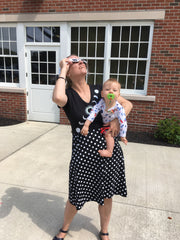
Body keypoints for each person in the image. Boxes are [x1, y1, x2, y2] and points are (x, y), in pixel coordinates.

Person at [52, 55, 133, 240]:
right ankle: (65, 228)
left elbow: (127, 104)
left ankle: (104, 230)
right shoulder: (68, 95)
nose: (81, 62)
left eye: (82, 60)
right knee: (76, 194)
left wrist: (115, 120)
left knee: (106, 195)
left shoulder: (100, 89)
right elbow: (57, 97)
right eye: (74, 61)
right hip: (83, 151)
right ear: (68, 70)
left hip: (109, 151)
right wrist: (63, 68)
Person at [81, 78, 128, 158]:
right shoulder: (101, 103)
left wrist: (123, 135)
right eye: (107, 89)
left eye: (114, 90)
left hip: (112, 127)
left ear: (118, 95)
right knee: (106, 134)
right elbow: (93, 112)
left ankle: (109, 151)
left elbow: (123, 121)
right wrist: (86, 125)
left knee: (108, 135)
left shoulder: (119, 108)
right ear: (102, 94)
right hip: (105, 124)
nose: (111, 91)